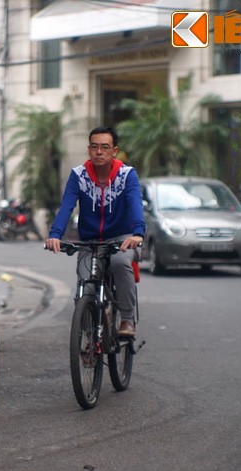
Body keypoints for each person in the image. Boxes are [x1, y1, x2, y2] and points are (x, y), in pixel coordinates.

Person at [44, 126, 145, 336]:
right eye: (95, 147)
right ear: (89, 150)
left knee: (119, 262)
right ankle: (90, 336)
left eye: (105, 147)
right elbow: (67, 206)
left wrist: (137, 233)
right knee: (85, 284)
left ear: (114, 151)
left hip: (123, 238)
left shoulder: (127, 175)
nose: (99, 152)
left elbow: (135, 204)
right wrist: (55, 235)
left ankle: (126, 319)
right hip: (90, 241)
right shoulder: (78, 176)